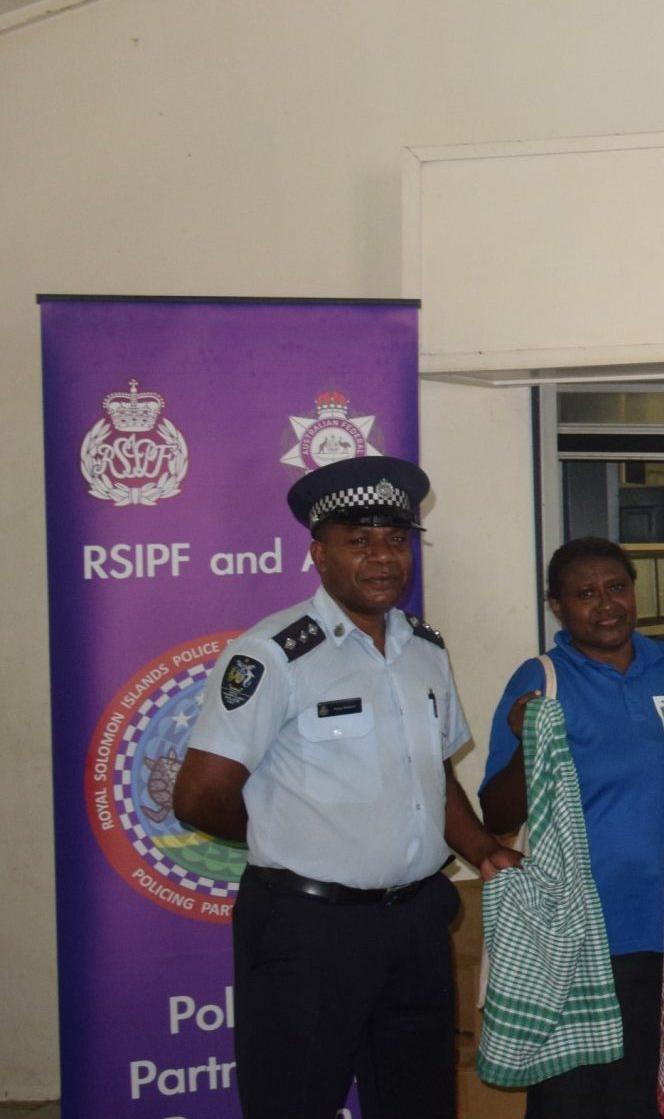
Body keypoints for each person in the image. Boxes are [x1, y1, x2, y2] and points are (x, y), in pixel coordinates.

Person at [170, 455, 518, 1119]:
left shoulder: (425, 650)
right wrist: (297, 834)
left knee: (420, 1102)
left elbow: (434, 773)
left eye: (396, 539)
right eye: (359, 541)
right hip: (308, 928)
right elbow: (199, 795)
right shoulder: (273, 653)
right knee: (296, 1101)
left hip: (414, 920)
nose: (383, 558)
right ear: (318, 554)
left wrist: (483, 850)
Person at [476, 537, 664, 1116]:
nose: (605, 605)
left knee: (650, 1094)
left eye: (617, 588)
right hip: (576, 935)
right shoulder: (542, 678)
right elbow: (496, 817)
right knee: (570, 1100)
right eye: (585, 593)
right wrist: (527, 740)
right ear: (557, 607)